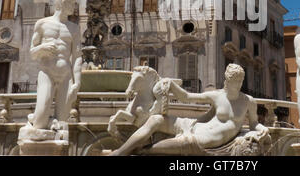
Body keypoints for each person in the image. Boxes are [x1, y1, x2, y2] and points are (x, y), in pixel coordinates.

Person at [110, 63, 269, 156]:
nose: (239, 83)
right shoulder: (217, 96)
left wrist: (262, 129)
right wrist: (171, 84)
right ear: (226, 80)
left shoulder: (248, 101)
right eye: (235, 80)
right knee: (156, 119)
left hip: (208, 138)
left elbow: (254, 123)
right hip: (194, 125)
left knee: (183, 142)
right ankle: (120, 152)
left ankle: (142, 151)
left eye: (240, 80)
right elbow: (186, 97)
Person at [29, 0, 82, 130]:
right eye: (71, 3)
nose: (74, 7)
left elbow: (77, 57)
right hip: (47, 71)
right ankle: (36, 118)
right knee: (40, 120)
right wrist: (42, 47)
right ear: (62, 3)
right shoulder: (42, 24)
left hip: (65, 76)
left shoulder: (74, 28)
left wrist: (77, 82)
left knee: (62, 122)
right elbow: (32, 52)